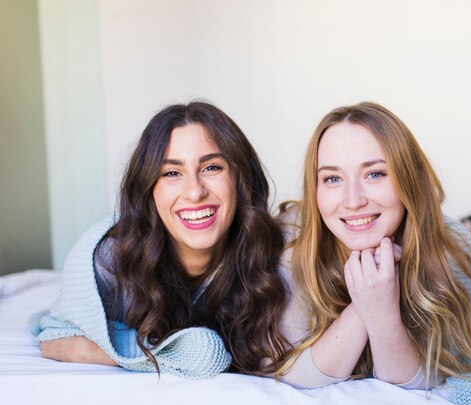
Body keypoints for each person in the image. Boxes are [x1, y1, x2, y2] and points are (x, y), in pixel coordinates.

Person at [275, 102, 471, 405]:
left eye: (374, 174)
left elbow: (423, 378)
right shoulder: (292, 240)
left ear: (407, 179)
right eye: (333, 179)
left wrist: (382, 315)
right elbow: (295, 371)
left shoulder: (447, 244)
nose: (353, 201)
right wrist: (364, 304)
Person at [31, 101, 287, 377]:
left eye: (211, 167)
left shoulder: (269, 250)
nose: (194, 191)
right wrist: (176, 352)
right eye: (171, 173)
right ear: (149, 189)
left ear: (240, 179)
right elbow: (55, 339)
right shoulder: (110, 259)